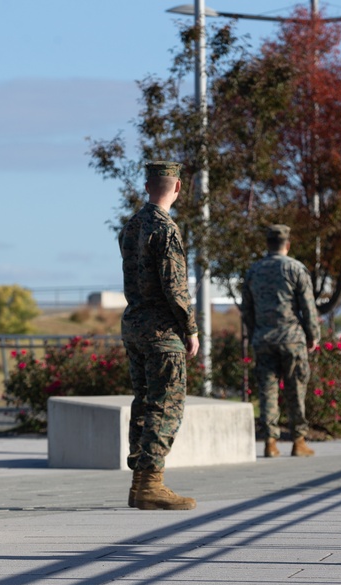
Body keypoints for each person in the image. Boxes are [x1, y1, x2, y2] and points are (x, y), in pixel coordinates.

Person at [119, 160, 199, 511]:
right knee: (167, 404)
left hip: (135, 325)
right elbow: (175, 286)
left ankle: (140, 485)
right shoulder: (166, 228)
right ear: (178, 188)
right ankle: (151, 482)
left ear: (148, 185)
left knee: (144, 402)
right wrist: (191, 329)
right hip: (162, 331)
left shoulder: (131, 225)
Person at [241, 224, 321, 458]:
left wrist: (256, 331)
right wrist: (312, 334)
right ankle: (298, 441)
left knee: (267, 390)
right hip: (291, 338)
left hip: (263, 339)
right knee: (296, 389)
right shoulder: (295, 268)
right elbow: (308, 306)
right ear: (287, 244)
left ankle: (270, 441)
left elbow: (247, 309)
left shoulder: (253, 271)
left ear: (267, 244)